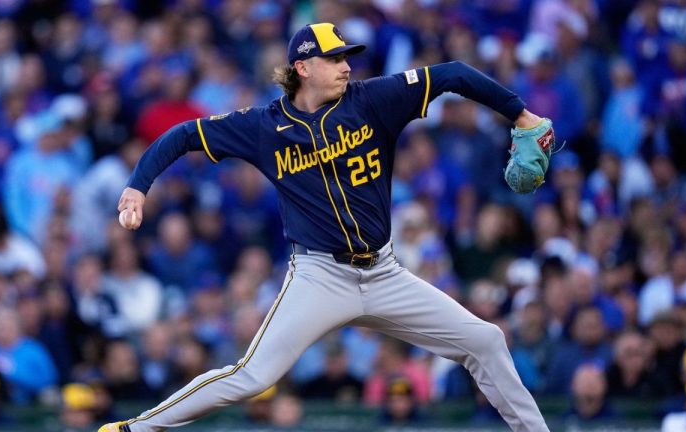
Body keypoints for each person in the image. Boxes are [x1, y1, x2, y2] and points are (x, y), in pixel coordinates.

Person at [100, 22, 550, 432]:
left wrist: (520, 115)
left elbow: (451, 72)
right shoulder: (264, 127)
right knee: (253, 375)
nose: (345, 66)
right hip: (320, 276)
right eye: (333, 58)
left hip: (385, 272)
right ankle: (133, 430)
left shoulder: (374, 99)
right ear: (302, 67)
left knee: (486, 340)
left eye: (345, 57)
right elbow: (182, 135)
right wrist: (139, 186)